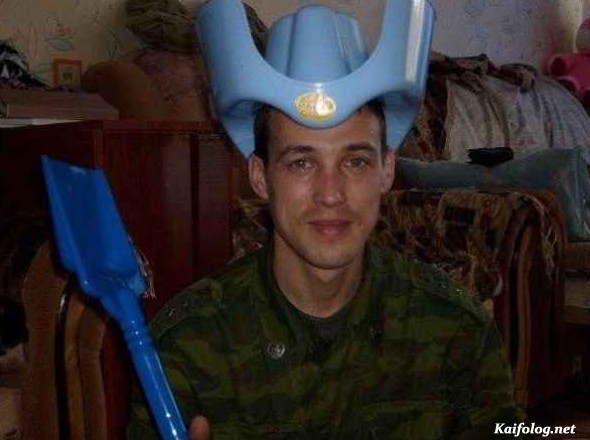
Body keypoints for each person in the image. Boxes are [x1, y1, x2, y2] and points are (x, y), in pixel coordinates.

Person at [128, 0, 527, 438]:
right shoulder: (187, 348)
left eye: (355, 161)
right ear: (260, 177)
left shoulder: (456, 331)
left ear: (387, 170)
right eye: (301, 162)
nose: (331, 194)